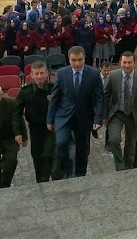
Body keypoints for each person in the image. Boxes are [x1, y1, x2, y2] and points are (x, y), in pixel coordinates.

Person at [47, 45, 103, 179]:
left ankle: (80, 173)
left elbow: (99, 98)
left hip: (84, 116)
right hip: (64, 115)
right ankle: (65, 169)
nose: (77, 63)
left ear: (84, 58)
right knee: (61, 142)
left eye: (80, 60)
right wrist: (49, 119)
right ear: (69, 59)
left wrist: (98, 119)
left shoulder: (94, 74)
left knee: (82, 149)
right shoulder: (61, 73)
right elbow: (54, 98)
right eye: (73, 60)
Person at [103, 51, 137, 171]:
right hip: (117, 113)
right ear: (120, 62)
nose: (127, 65)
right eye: (124, 62)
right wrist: (104, 116)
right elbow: (105, 96)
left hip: (133, 115)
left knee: (131, 146)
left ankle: (129, 169)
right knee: (114, 139)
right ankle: (120, 167)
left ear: (134, 63)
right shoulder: (113, 76)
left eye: (129, 62)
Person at [13, 61, 56, 183]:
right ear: (31, 75)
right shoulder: (25, 92)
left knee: (48, 154)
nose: (39, 76)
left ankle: (46, 178)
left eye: (42, 73)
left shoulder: (54, 89)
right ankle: (40, 181)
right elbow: (16, 112)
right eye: (36, 74)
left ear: (47, 74)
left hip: (51, 128)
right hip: (34, 128)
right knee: (37, 156)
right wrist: (18, 132)